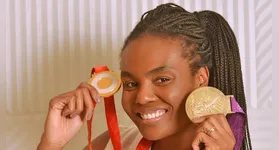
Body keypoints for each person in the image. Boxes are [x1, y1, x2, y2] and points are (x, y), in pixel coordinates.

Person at [37, 3, 252, 150]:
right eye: (130, 83)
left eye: (162, 79)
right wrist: (51, 143)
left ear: (201, 78)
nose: (141, 97)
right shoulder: (115, 143)